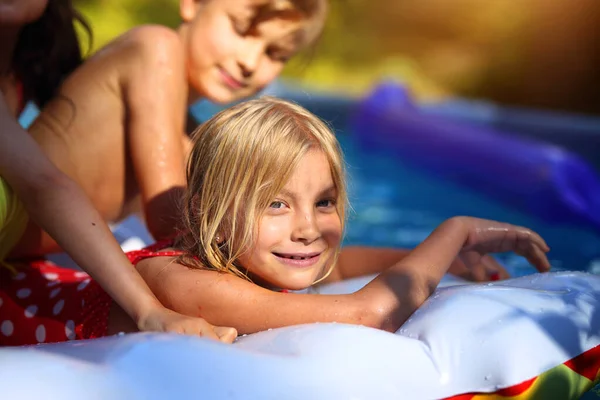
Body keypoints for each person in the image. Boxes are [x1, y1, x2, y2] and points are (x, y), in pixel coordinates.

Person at [0, 97, 551, 344]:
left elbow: (337, 267)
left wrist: (443, 263)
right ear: (209, 217)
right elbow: (364, 314)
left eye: (325, 202)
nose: (308, 228)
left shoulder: (238, 252)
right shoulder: (185, 283)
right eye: (276, 204)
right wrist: (453, 231)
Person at [12, 0, 329, 260]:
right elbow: (166, 217)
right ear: (193, 4)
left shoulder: (187, 130)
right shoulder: (156, 49)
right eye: (240, 29)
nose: (250, 61)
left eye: (275, 54)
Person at [0, 0, 236, 342]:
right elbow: (45, 186)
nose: (249, 61)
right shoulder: (153, 48)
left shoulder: (22, 70)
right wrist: (150, 312)